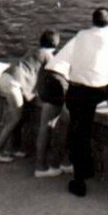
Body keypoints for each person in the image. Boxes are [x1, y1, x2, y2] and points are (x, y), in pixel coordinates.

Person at [53, 7, 108, 197]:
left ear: (92, 21)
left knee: (79, 131)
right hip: (98, 92)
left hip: (76, 92)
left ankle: (80, 176)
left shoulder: (80, 35)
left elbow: (60, 60)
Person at [0, 29, 59, 163]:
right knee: (15, 118)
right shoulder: (48, 56)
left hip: (7, 76)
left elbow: (31, 71)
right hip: (14, 83)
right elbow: (49, 76)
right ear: (56, 44)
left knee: (20, 115)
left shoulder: (34, 50)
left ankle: (13, 148)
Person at [33, 45, 73, 179]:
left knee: (45, 125)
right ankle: (62, 163)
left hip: (47, 76)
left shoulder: (75, 43)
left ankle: (40, 166)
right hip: (61, 80)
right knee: (66, 123)